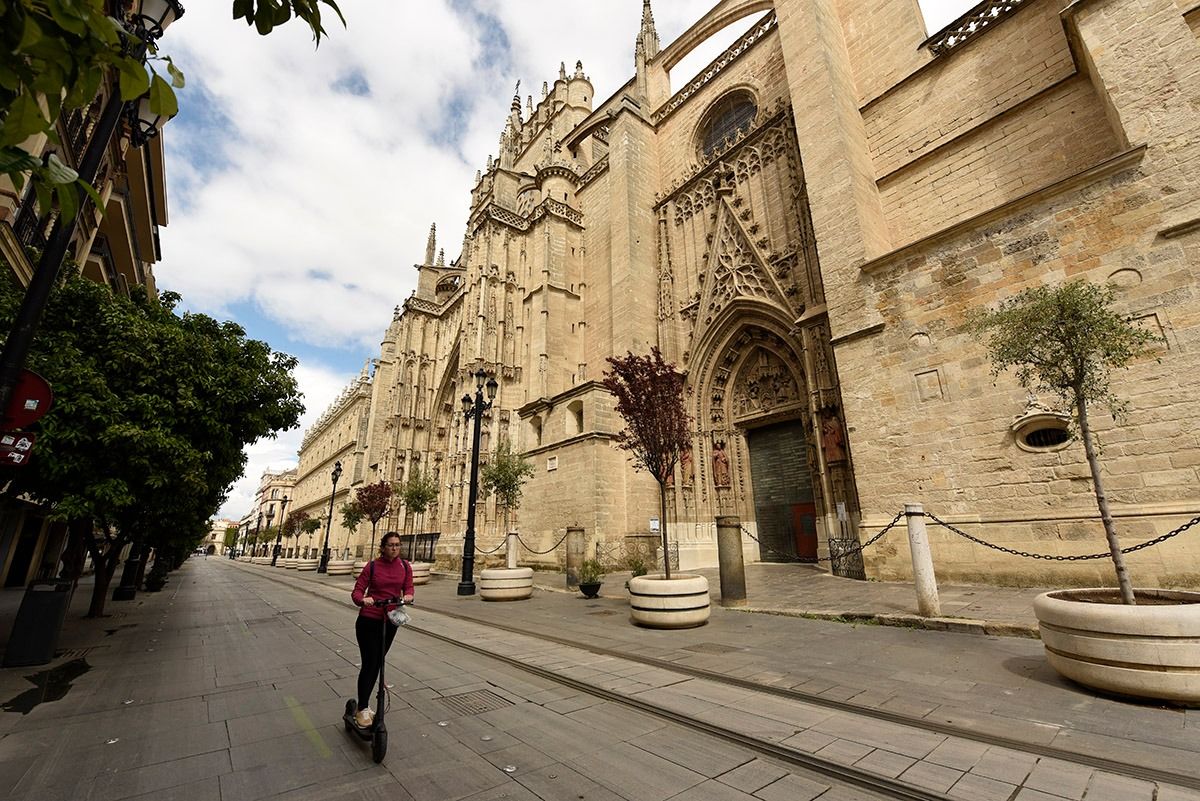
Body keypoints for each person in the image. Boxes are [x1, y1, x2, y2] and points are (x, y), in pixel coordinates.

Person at [350, 532, 414, 728]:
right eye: (390, 545)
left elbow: (408, 587)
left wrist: (409, 595)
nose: (394, 548)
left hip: (390, 621)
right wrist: (363, 599)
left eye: (397, 545)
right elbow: (357, 591)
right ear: (383, 547)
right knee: (370, 663)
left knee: (378, 663)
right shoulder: (373, 566)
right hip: (369, 620)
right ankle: (362, 708)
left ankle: (367, 705)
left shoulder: (404, 566)